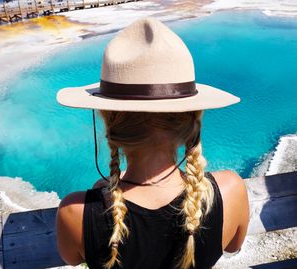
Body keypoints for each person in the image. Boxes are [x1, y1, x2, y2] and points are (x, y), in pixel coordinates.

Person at [56, 17, 249, 269]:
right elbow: (234, 245)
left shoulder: (75, 212)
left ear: (108, 121)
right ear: (192, 119)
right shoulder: (230, 191)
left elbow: (72, 257)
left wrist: (105, 190)